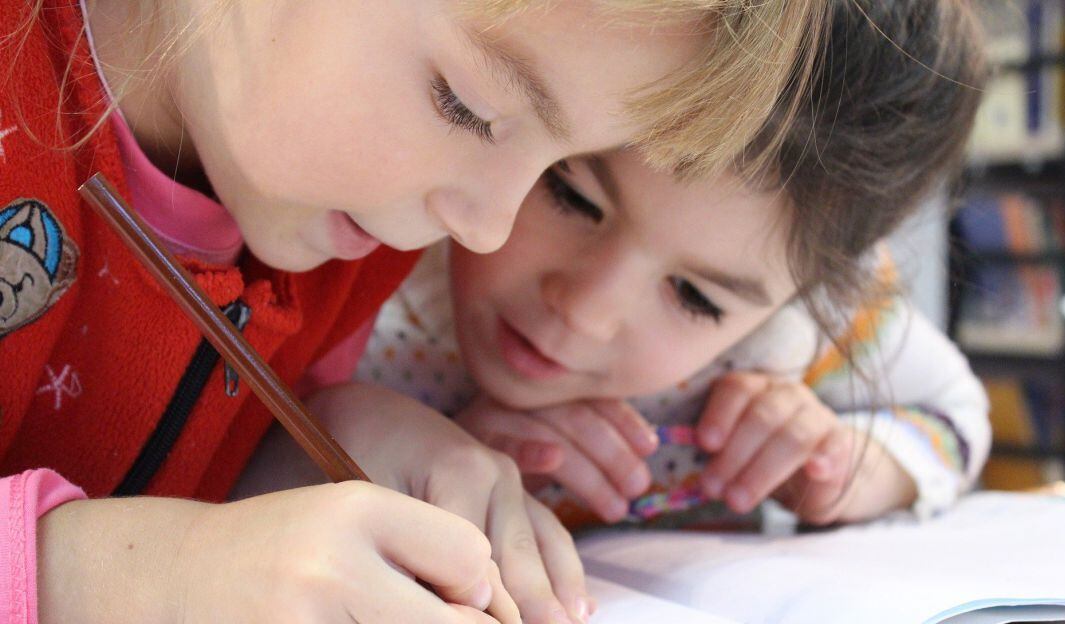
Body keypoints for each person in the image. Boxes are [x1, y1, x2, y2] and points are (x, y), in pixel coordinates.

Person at [0, 1, 827, 623]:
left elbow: (164, 477)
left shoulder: (351, 234)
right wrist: (121, 576)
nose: (487, 226)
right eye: (467, 107)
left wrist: (315, 451)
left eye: (560, 160)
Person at [348, 0, 991, 530]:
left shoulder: (804, 332)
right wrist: (409, 454)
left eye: (694, 297)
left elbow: (956, 415)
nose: (585, 311)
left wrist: (852, 466)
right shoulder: (369, 247)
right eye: (571, 196)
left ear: (807, 295)